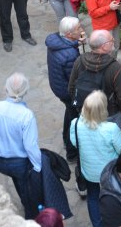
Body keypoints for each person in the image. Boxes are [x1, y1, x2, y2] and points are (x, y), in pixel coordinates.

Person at [70, 90, 121, 227]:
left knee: (93, 197)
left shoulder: (76, 123)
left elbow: (75, 142)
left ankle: (97, 224)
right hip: (109, 173)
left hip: (89, 171)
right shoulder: (111, 128)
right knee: (113, 198)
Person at [0, 72, 42, 219]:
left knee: (18, 182)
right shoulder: (26, 115)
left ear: (6, 89)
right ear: (26, 91)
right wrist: (38, 167)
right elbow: (30, 146)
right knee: (28, 194)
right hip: (19, 163)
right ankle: (31, 217)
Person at [67, 29, 121, 128]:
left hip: (86, 112)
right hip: (108, 114)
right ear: (104, 46)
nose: (113, 40)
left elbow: (71, 88)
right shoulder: (114, 67)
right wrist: (115, 110)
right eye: (111, 40)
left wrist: (84, 107)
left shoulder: (79, 60)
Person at [46, 16, 86, 161]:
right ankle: (71, 152)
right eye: (78, 29)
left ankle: (65, 139)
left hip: (58, 85)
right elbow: (74, 80)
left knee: (69, 114)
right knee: (74, 121)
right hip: (67, 91)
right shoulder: (70, 55)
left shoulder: (57, 40)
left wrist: (77, 43)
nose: (81, 30)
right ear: (69, 34)